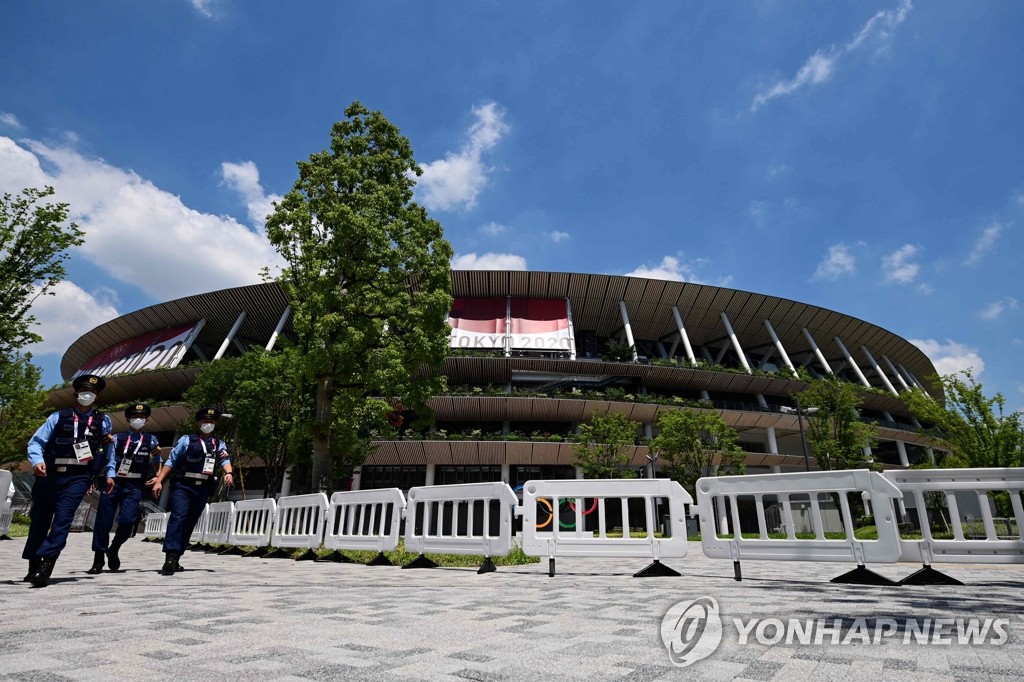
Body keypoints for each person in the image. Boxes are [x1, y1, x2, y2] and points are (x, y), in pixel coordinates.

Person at [23, 374, 114, 587]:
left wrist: (109, 473)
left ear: (97, 396)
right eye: (83, 391)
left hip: (79, 476)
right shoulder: (58, 417)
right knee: (39, 520)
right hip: (50, 475)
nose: (87, 395)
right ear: (75, 394)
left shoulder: (103, 421)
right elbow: (36, 443)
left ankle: (47, 564)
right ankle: (34, 561)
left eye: (91, 392)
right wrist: (37, 461)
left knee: (63, 520)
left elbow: (107, 451)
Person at [152, 407, 234, 575]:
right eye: (205, 421)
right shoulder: (187, 440)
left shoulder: (218, 443)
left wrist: (229, 472)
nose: (208, 424)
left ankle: (177, 557)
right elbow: (171, 462)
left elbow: (224, 458)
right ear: (199, 423)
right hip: (183, 485)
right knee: (179, 516)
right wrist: (159, 481)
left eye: (211, 422)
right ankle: (169, 555)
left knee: (190, 522)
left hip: (202, 488)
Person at [87, 404, 163, 574]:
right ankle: (98, 557)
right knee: (103, 522)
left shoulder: (151, 440)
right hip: (114, 483)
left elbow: (158, 457)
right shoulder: (117, 438)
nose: (138, 419)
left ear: (146, 420)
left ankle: (114, 548)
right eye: (135, 416)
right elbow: (111, 459)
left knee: (128, 521)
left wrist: (158, 476)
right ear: (128, 419)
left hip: (134, 485)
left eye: (142, 417)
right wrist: (110, 476)